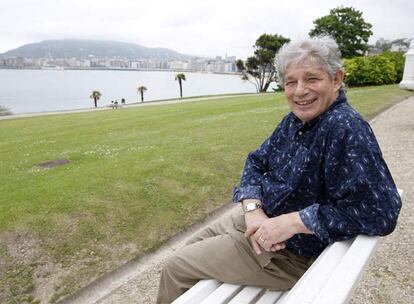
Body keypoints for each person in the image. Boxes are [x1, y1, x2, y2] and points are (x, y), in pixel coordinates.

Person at [156, 37, 402, 304]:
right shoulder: (294, 121)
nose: (300, 91)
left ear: (336, 79)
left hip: (288, 252)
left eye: (312, 79)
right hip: (259, 222)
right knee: (184, 253)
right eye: (291, 82)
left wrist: (293, 222)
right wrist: (253, 211)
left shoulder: (344, 128)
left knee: (176, 269)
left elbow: (381, 212)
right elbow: (256, 162)